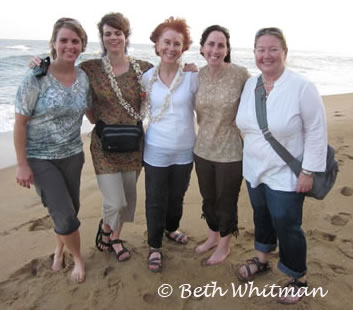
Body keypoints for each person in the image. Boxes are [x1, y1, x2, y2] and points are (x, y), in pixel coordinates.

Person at [235, 27, 328, 304]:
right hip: (253, 170)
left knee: (287, 224)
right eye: (260, 50)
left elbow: (316, 131)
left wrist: (308, 171)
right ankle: (262, 259)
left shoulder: (301, 86)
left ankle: (298, 277)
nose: (267, 55)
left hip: (287, 175)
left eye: (273, 49)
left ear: (285, 52)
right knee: (261, 217)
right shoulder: (251, 85)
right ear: (254, 53)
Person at [14, 18, 90, 283]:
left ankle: (59, 250)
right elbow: (20, 123)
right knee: (66, 216)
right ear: (54, 44)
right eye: (64, 40)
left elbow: (91, 112)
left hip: (73, 155)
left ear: (82, 45)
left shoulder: (83, 77)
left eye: (75, 41)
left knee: (70, 209)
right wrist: (22, 164)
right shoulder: (36, 77)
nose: (70, 46)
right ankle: (78, 259)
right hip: (41, 158)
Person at [79, 12, 153, 261]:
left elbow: (168, 78)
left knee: (128, 198)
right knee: (115, 201)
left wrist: (190, 69)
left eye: (117, 33)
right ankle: (106, 229)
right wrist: (38, 64)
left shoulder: (143, 68)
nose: (113, 37)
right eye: (107, 33)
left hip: (133, 144)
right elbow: (65, 78)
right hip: (104, 145)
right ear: (102, 38)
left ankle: (114, 237)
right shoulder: (89, 68)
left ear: (126, 36)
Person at [142, 17, 199, 272]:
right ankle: (154, 245)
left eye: (177, 43)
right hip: (155, 149)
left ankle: (171, 229)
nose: (171, 48)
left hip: (186, 150)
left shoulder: (191, 77)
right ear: (156, 44)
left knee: (177, 196)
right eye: (167, 42)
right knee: (155, 199)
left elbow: (207, 106)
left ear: (184, 47)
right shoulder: (146, 78)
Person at [193, 25, 250, 265]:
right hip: (202, 150)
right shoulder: (197, 75)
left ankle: (224, 246)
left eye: (221, 45)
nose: (216, 50)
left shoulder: (241, 74)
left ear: (227, 49)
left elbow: (259, 100)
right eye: (211, 44)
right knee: (208, 199)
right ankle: (212, 237)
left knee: (226, 202)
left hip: (230, 153)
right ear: (202, 48)